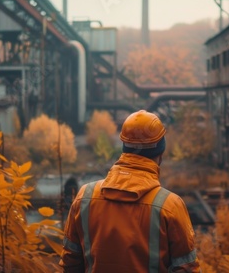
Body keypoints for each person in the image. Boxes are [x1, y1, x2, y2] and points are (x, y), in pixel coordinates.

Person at [60, 110, 201, 273]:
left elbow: (70, 264)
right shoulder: (170, 206)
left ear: (124, 147)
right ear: (160, 152)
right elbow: (188, 269)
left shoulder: (84, 197)